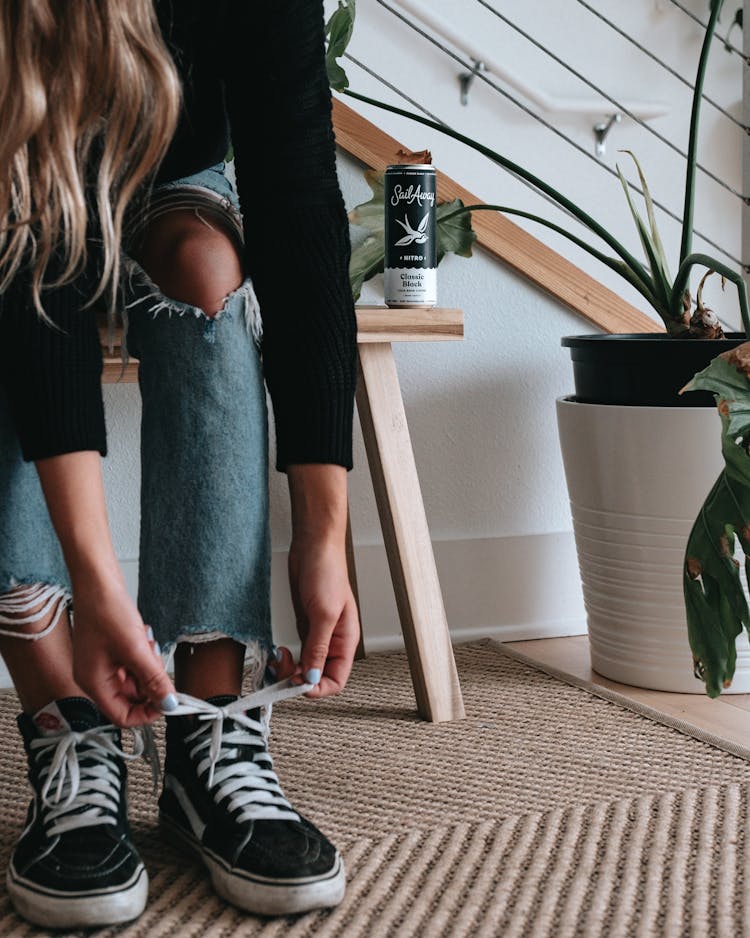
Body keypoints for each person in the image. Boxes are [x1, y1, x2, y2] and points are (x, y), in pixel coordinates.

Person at [0, 0, 359, 928]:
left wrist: (324, 535)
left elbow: (298, 208)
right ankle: (64, 717)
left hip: (174, 173)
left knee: (209, 275)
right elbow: (46, 267)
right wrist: (93, 580)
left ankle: (211, 725)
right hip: (18, 169)